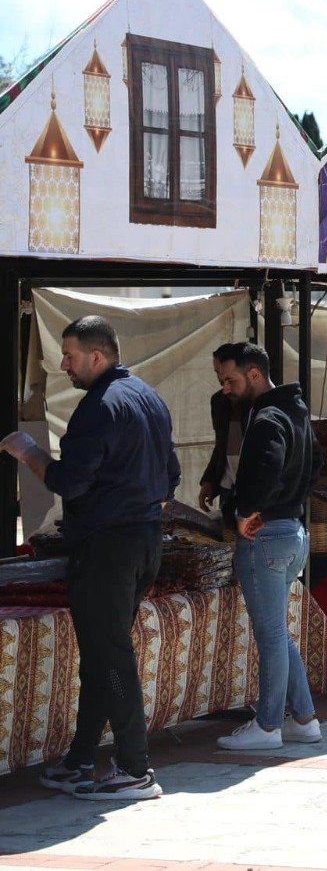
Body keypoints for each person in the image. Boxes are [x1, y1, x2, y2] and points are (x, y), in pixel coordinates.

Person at [1, 316, 176, 800]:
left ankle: (135, 768)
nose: (63, 364)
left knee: (111, 655)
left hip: (109, 547)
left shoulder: (99, 406)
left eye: (70, 355)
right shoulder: (148, 397)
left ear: (97, 357)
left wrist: (30, 452)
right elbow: (172, 475)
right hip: (142, 541)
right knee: (104, 652)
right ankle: (81, 759)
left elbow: (67, 481)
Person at [209, 343, 323, 751]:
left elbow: (267, 467)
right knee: (278, 632)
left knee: (272, 635)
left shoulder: (269, 417)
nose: (225, 389)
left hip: (268, 536)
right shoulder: (296, 411)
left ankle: (269, 724)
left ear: (255, 374)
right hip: (291, 532)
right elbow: (316, 466)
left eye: (231, 380)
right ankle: (305, 719)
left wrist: (245, 511)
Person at [197, 342, 248, 523]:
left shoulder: (258, 403)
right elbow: (222, 445)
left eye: (227, 375)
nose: (221, 379)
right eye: (218, 373)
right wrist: (209, 480)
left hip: (252, 488)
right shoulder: (218, 402)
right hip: (228, 486)